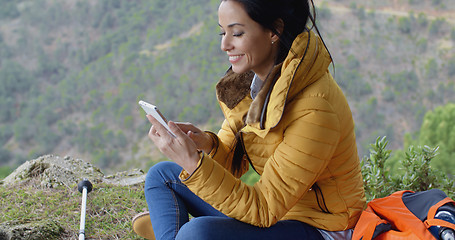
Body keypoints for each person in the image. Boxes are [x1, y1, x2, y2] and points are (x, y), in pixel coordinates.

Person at [132, 0, 366, 239]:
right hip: (280, 215)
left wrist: (193, 163)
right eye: (223, 32)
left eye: (237, 33)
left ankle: (174, 231)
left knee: (197, 232)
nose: (224, 44)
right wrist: (205, 145)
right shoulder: (253, 84)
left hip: (322, 227)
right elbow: (231, 162)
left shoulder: (315, 109)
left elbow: (263, 209)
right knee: (163, 175)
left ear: (275, 30)